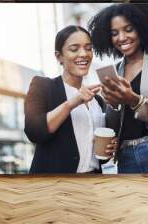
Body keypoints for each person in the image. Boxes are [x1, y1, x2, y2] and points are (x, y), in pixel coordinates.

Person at [88, 3, 148, 173]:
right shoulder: (115, 70)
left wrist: (135, 101)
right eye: (114, 33)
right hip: (126, 157)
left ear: (142, 27)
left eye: (128, 29)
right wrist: (112, 104)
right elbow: (116, 123)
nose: (121, 37)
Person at [24, 25, 117, 174]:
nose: (84, 54)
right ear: (59, 56)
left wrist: (110, 148)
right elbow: (34, 132)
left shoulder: (97, 101)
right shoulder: (43, 86)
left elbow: (97, 155)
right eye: (74, 49)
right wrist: (71, 103)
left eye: (88, 48)